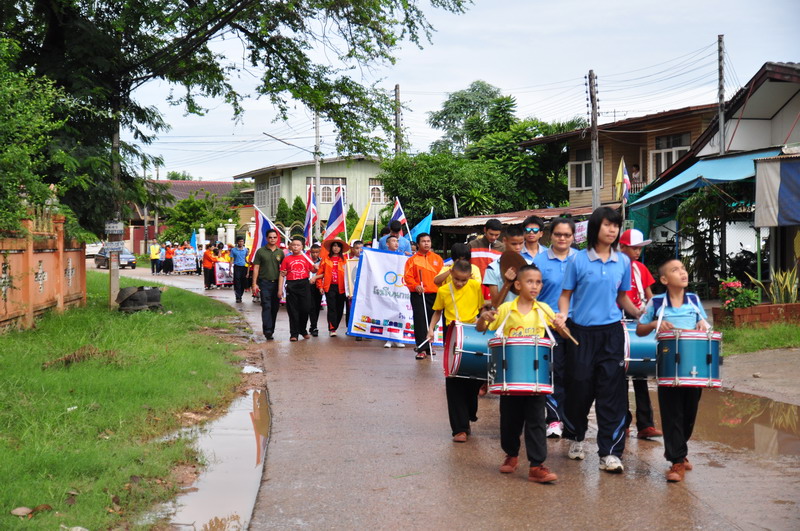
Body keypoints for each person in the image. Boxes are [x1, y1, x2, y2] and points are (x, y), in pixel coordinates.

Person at [552, 207, 641, 473]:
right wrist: (563, 315)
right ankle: (576, 435)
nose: (612, 230)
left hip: (611, 334)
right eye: (607, 225)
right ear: (595, 228)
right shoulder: (578, 260)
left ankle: (610, 453)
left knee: (612, 393)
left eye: (615, 226)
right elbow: (566, 295)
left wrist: (640, 313)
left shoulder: (623, 261)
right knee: (578, 389)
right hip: (580, 334)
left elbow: (622, 297)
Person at [477, 264, 559, 484]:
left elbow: (561, 331)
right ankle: (511, 454)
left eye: (538, 282)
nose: (535, 286)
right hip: (510, 376)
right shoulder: (506, 308)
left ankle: (536, 466)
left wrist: (561, 324)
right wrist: (483, 317)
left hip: (535, 378)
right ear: (518, 285)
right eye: (530, 281)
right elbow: (481, 328)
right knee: (510, 419)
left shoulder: (543, 309)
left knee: (536, 421)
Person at [636, 258, 710, 482]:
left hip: (693, 366)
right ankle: (676, 461)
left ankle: (680, 450)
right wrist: (655, 324)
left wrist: (702, 325)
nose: (682, 272)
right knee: (672, 413)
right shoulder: (657, 302)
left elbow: (705, 325)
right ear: (664, 279)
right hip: (668, 365)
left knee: (689, 412)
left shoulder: (693, 300)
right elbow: (640, 329)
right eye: (675, 270)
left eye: (683, 269)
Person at [427, 259, 484, 443]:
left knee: (474, 380)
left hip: (474, 335)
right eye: (457, 279)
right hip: (453, 336)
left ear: (470, 277)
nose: (460, 283)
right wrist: (431, 329)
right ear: (451, 273)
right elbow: (437, 311)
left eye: (464, 280)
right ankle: (459, 429)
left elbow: (482, 309)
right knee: (453, 379)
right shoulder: (444, 290)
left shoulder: (475, 286)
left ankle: (469, 413)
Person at [533, 217, 578, 439]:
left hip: (577, 324)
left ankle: (572, 420)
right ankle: (554, 419)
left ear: (573, 237)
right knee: (554, 373)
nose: (562, 238)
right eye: (558, 234)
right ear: (550, 235)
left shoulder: (581, 259)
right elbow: (532, 294)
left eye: (567, 235)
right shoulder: (539, 261)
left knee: (576, 374)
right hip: (548, 325)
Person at [618, 228, 663, 440]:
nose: (637, 252)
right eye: (634, 248)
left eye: (639, 248)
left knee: (641, 372)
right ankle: (622, 423)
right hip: (619, 321)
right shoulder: (615, 266)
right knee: (620, 375)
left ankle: (646, 425)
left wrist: (654, 314)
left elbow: (649, 295)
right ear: (622, 247)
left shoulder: (640, 268)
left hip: (639, 320)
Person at [403, 233, 443, 359]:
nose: (426, 243)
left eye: (428, 241)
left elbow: (442, 275)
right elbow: (407, 277)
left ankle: (429, 345)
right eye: (423, 241)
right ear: (418, 244)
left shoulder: (437, 259)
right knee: (420, 321)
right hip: (419, 294)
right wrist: (415, 286)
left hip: (435, 294)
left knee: (432, 321)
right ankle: (421, 348)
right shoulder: (412, 260)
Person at [279, 235, 316, 341]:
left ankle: (302, 330)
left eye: (298, 245)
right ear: (290, 247)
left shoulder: (307, 258)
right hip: (291, 285)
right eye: (294, 245)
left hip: (304, 284)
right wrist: (280, 289)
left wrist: (316, 268)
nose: (295, 247)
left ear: (302, 247)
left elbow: (313, 270)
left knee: (305, 309)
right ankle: (294, 333)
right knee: (293, 310)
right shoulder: (286, 259)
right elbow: (282, 274)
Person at [483, 225, 528, 308]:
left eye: (521, 243)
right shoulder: (492, 268)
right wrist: (507, 283)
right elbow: (495, 304)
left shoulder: (530, 265)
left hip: (525, 315)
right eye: (514, 244)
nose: (518, 247)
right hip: (503, 315)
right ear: (504, 241)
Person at [251, 229, 284, 340]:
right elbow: (256, 267)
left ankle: (271, 329)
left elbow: (284, 269)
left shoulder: (280, 252)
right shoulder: (261, 251)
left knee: (274, 307)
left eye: (274, 237)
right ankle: (267, 330)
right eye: (270, 237)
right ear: (266, 238)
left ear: (277, 238)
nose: (272, 239)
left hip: (276, 284)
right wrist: (254, 284)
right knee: (266, 306)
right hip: (264, 283)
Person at [317, 238, 349, 337]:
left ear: (341, 248)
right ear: (331, 247)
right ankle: (332, 328)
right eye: (334, 246)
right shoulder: (325, 259)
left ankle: (335, 325)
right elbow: (320, 273)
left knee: (340, 309)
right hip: (329, 287)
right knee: (331, 308)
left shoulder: (345, 260)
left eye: (338, 246)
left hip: (342, 287)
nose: (336, 248)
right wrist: (320, 286)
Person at [383, 236, 406, 348]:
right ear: (387, 244)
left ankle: (397, 338)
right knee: (387, 312)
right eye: (393, 241)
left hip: (398, 288)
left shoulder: (402, 256)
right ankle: (388, 338)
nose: (396, 243)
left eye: (397, 241)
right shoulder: (382, 256)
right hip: (386, 288)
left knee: (398, 312)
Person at [307, 243, 323, 337]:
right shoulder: (307, 260)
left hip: (318, 285)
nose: (315, 254)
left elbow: (324, 273)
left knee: (316, 306)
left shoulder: (322, 261)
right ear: (310, 252)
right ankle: (313, 326)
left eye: (317, 252)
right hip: (307, 285)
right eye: (313, 252)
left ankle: (313, 325)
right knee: (310, 306)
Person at [230, 237, 249, 303]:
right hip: (237, 267)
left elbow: (246, 259)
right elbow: (231, 260)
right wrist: (230, 269)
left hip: (244, 267)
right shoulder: (233, 250)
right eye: (239, 241)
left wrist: (248, 269)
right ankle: (238, 297)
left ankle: (240, 294)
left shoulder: (246, 250)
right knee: (237, 282)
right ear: (237, 242)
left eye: (242, 241)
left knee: (243, 282)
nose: (241, 243)